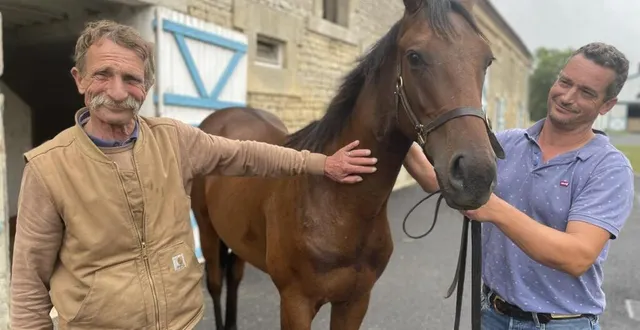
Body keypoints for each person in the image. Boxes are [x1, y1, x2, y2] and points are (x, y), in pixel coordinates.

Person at [9, 20, 378, 330]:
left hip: (182, 323)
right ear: (79, 79)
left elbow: (248, 155)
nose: (118, 91)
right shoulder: (48, 168)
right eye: (103, 75)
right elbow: (28, 286)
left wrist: (321, 163)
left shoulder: (174, 139)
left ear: (146, 86)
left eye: (131, 78)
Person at [404, 42, 635, 329]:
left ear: (607, 106)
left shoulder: (608, 167)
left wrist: (494, 208)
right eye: (565, 82)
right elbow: (433, 179)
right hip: (492, 315)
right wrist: (398, 136)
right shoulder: (508, 144)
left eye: (586, 92)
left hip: (561, 323)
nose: (567, 96)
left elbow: (577, 255)